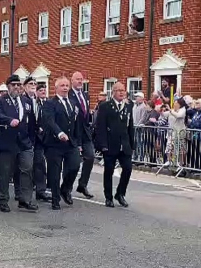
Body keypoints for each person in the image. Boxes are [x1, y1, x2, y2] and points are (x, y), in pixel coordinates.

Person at [0, 75, 39, 213]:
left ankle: (24, 200)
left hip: (24, 142)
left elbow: (31, 123)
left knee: (27, 170)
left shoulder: (26, 101)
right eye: (14, 85)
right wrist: (9, 120)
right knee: (5, 172)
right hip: (7, 141)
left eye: (19, 84)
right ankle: (3, 199)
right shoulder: (0, 101)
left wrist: (31, 141)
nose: (17, 87)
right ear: (8, 87)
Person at [42, 77, 81, 210]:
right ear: (56, 88)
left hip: (70, 143)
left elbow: (76, 123)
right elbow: (50, 121)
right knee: (54, 172)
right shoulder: (50, 103)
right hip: (54, 143)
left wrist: (78, 141)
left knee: (75, 166)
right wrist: (59, 133)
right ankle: (55, 199)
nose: (65, 88)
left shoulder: (73, 102)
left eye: (67, 85)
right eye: (62, 85)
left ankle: (65, 189)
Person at [95, 83, 134, 208]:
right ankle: (108, 197)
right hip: (110, 144)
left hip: (124, 144)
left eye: (123, 90)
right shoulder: (105, 106)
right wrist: (103, 145)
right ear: (113, 92)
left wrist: (132, 144)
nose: (121, 93)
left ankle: (120, 193)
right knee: (109, 171)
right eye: (118, 90)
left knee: (127, 169)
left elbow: (130, 126)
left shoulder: (128, 106)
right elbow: (100, 127)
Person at [68, 71, 95, 199]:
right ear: (72, 81)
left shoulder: (86, 95)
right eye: (77, 79)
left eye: (81, 79)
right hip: (73, 132)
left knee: (90, 157)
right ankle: (66, 188)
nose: (80, 81)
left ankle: (82, 184)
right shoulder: (68, 95)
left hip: (85, 132)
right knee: (73, 163)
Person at [33, 83, 50, 202]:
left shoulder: (49, 104)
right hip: (37, 138)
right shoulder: (34, 104)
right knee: (39, 164)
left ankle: (48, 185)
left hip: (49, 138)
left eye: (44, 90)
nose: (43, 92)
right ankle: (40, 190)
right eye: (40, 90)